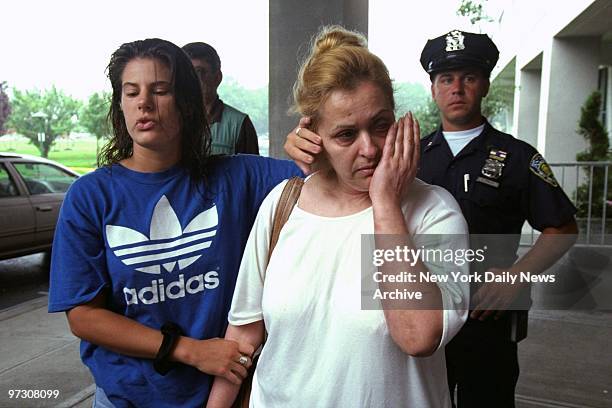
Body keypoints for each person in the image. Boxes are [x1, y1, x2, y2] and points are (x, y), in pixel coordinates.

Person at [285, 29, 578, 408]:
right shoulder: (405, 152)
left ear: (486, 84)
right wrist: (309, 145)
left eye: (469, 77)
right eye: (446, 79)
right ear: (433, 88)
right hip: (411, 309)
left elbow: (562, 227)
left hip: (486, 314)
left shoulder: (516, 156)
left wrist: (516, 276)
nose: (457, 88)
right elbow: (339, 192)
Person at [207, 25, 469, 408]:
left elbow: (417, 335)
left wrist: (385, 204)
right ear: (315, 136)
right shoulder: (282, 204)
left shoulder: (434, 211)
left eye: (380, 125)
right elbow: (243, 334)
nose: (370, 149)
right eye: (346, 135)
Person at [47, 38, 300, 407]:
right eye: (131, 92)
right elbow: (84, 316)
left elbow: (328, 172)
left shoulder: (237, 178)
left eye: (160, 90)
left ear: (186, 102)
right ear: (120, 104)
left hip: (218, 396)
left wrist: (307, 143)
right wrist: (190, 351)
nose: (144, 103)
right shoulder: (91, 196)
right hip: (126, 398)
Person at [182, 42, 260, 155]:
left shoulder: (239, 124)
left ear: (217, 78)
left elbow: (252, 170)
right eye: (187, 73)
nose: (192, 80)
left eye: (199, 72)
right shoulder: (171, 120)